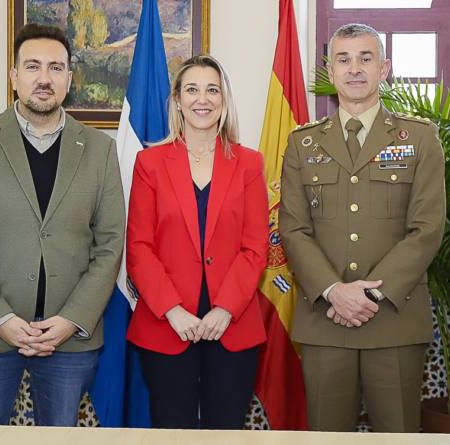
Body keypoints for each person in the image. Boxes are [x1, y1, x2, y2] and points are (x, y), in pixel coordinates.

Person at [0, 23, 124, 425]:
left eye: (56, 68)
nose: (44, 78)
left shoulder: (100, 150)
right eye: (33, 66)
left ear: (69, 79)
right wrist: (0, 320)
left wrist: (72, 320)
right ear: (14, 77)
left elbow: (110, 245)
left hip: (69, 340)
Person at [279, 23, 446, 433]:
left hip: (393, 318)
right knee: (326, 436)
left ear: (384, 69)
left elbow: (426, 228)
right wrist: (335, 291)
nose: (355, 69)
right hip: (326, 318)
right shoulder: (303, 143)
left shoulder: (421, 138)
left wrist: (369, 294)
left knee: (398, 434)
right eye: (344, 59)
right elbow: (294, 230)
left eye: (366, 59)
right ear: (330, 71)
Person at [125, 55, 269, 429]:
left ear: (224, 100)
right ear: (177, 100)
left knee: (227, 430)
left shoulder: (250, 164)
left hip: (232, 326)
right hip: (167, 324)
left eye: (212, 90)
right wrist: (172, 310)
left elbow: (255, 248)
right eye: (191, 89)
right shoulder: (150, 163)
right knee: (171, 430)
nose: (201, 99)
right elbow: (139, 248)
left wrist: (225, 309)